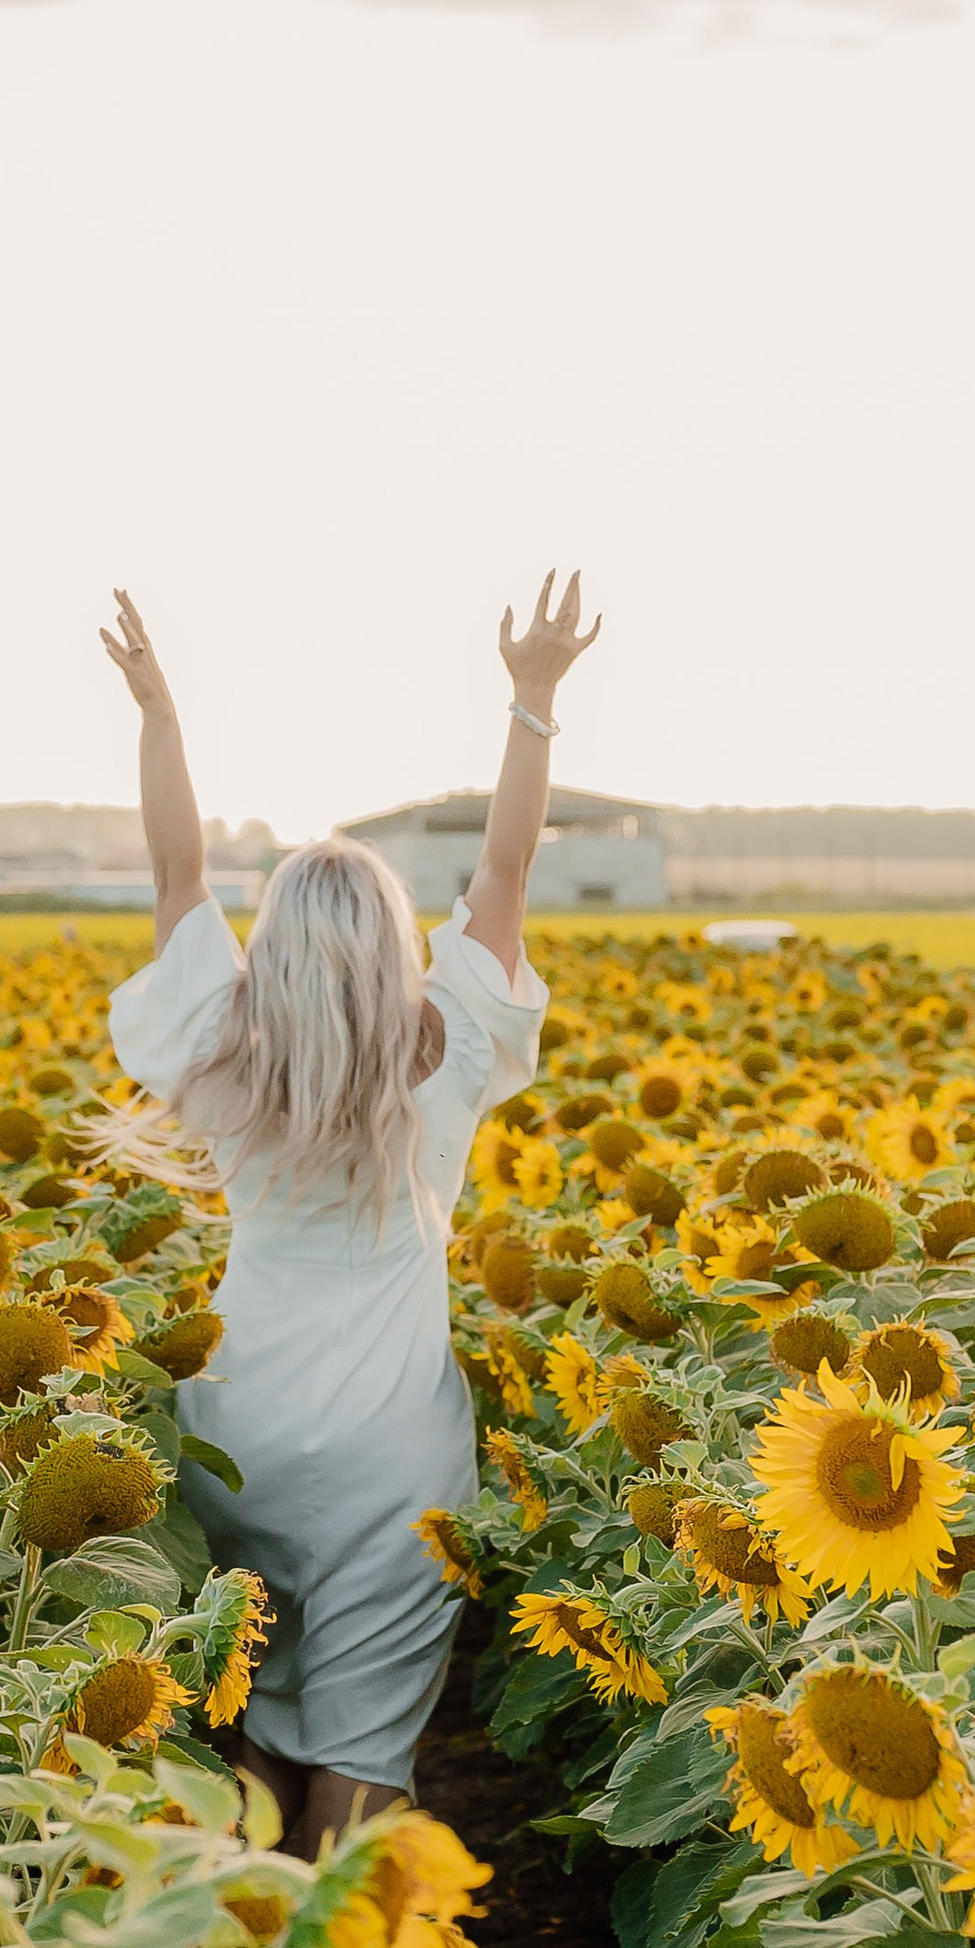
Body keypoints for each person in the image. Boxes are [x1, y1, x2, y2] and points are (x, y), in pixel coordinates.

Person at [99, 574, 601, 1856]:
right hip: (390, 1446)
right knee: (364, 1741)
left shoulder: (224, 1045)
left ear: (269, 953)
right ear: (390, 944)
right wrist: (533, 694)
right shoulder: (454, 1041)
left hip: (241, 1430)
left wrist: (158, 709)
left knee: (254, 1705)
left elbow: (175, 866)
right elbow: (505, 861)